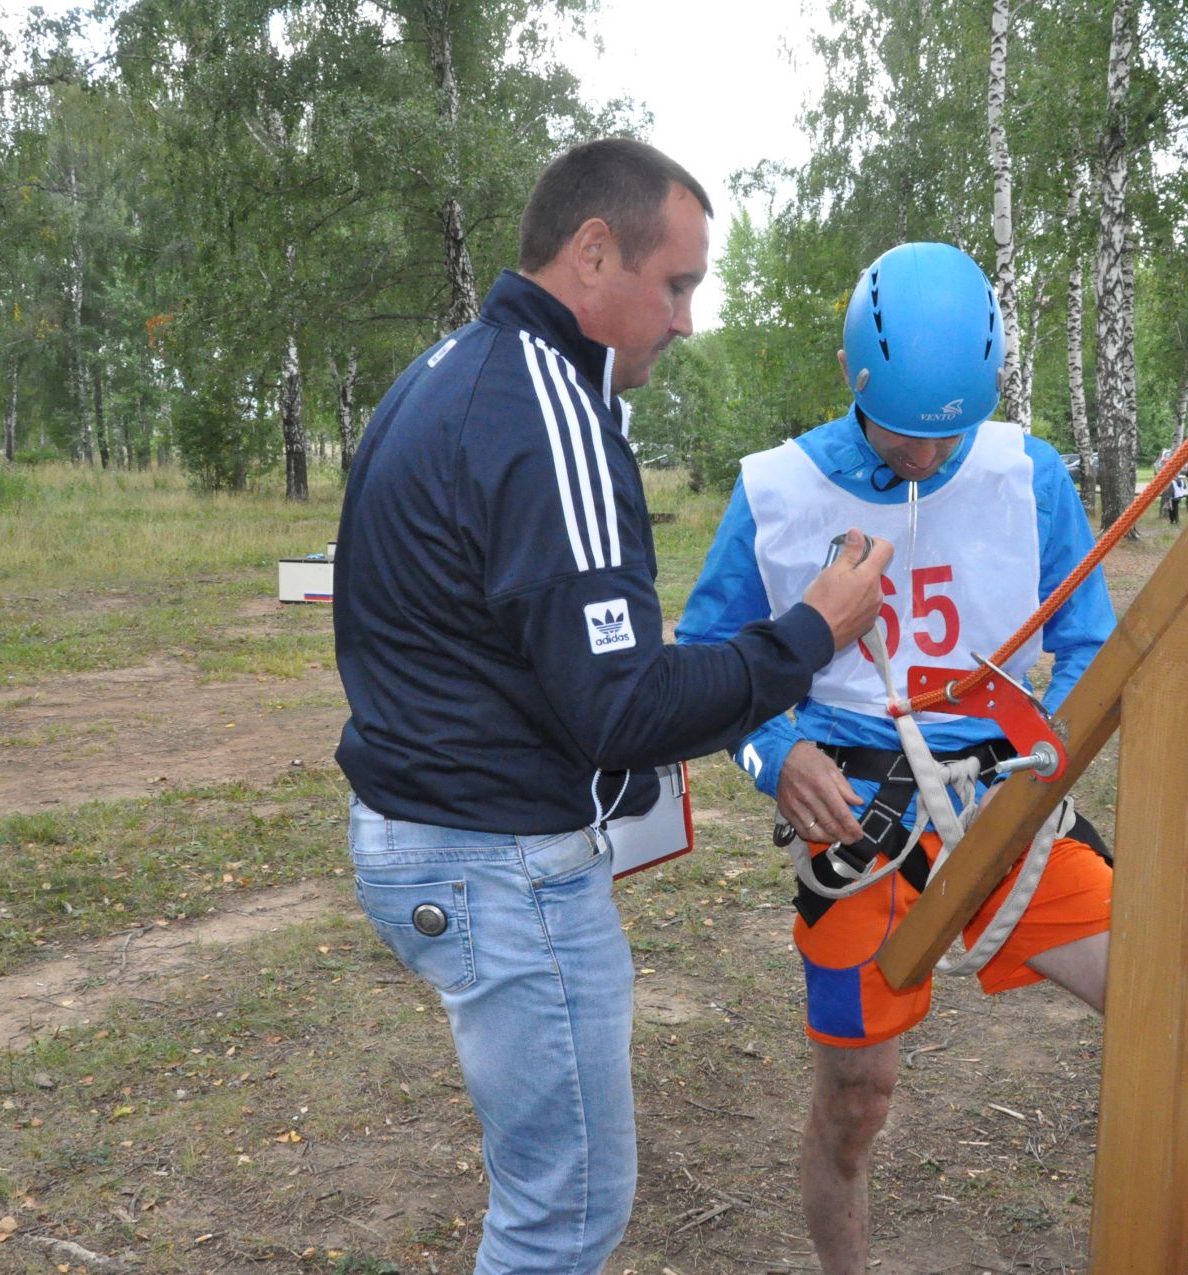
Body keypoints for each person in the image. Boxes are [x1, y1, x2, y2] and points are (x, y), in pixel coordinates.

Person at [331, 139, 894, 1275]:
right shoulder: (552, 417)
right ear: (594, 254)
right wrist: (809, 635)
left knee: (548, 1196)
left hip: (423, 838)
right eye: (676, 284)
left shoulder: (442, 373)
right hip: (501, 866)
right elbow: (623, 707)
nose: (685, 321)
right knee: (565, 1212)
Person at [678, 242, 1188, 1275]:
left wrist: (1041, 762)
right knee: (855, 1102)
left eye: (950, 433)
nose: (928, 460)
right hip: (860, 824)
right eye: (906, 434)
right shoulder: (778, 492)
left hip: (1009, 807)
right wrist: (778, 756)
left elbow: (1087, 643)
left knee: (1187, 1033)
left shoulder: (1028, 474)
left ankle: (1168, 1250)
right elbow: (708, 663)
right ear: (855, 379)